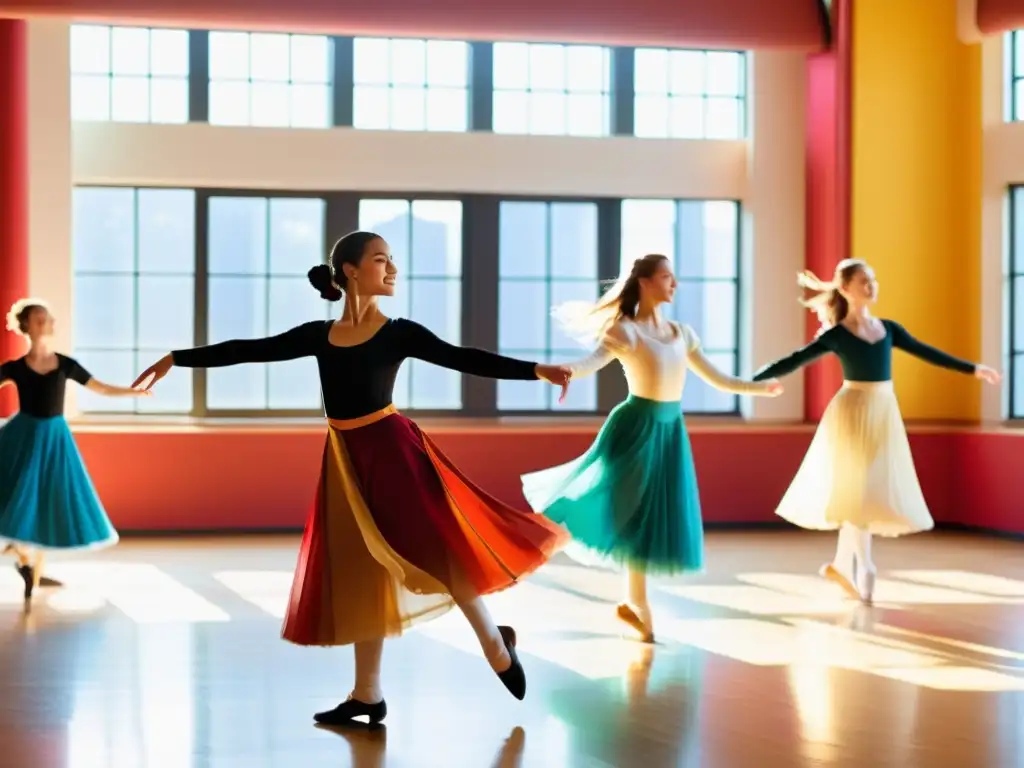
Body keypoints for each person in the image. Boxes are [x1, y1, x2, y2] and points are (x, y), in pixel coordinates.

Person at [132, 231, 572, 725]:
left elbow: (464, 357)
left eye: (392, 261)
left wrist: (538, 371)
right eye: (381, 260)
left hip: (394, 453)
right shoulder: (319, 336)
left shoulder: (400, 332)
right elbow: (250, 349)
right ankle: (367, 693)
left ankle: (495, 645)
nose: (392, 270)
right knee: (365, 568)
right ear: (349, 271)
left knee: (436, 547)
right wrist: (177, 358)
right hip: (344, 460)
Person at [520, 254, 782, 643]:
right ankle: (555, 556)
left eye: (673, 277)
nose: (673, 284)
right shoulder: (626, 331)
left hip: (670, 430)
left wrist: (759, 388)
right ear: (644, 282)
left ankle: (634, 603)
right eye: (666, 277)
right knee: (625, 511)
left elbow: (718, 378)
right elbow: (592, 362)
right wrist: (566, 371)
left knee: (648, 517)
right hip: (636, 427)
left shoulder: (681, 333)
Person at [751, 259, 1001, 603]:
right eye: (864, 281)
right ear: (846, 288)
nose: (872, 286)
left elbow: (927, 352)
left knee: (865, 489)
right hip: (852, 412)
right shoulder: (837, 335)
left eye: (873, 280)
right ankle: (864, 565)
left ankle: (842, 564)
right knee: (859, 489)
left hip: (883, 410)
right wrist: (750, 382)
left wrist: (974, 369)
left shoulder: (889, 329)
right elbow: (794, 359)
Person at [0, 299, 146, 599]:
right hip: (24, 435)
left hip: (55, 439)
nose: (44, 321)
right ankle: (26, 562)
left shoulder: (65, 364)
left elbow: (101, 388)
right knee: (20, 498)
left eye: (46, 317)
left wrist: (133, 391)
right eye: (38, 317)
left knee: (50, 502)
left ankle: (33, 567)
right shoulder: (16, 368)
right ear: (26, 325)